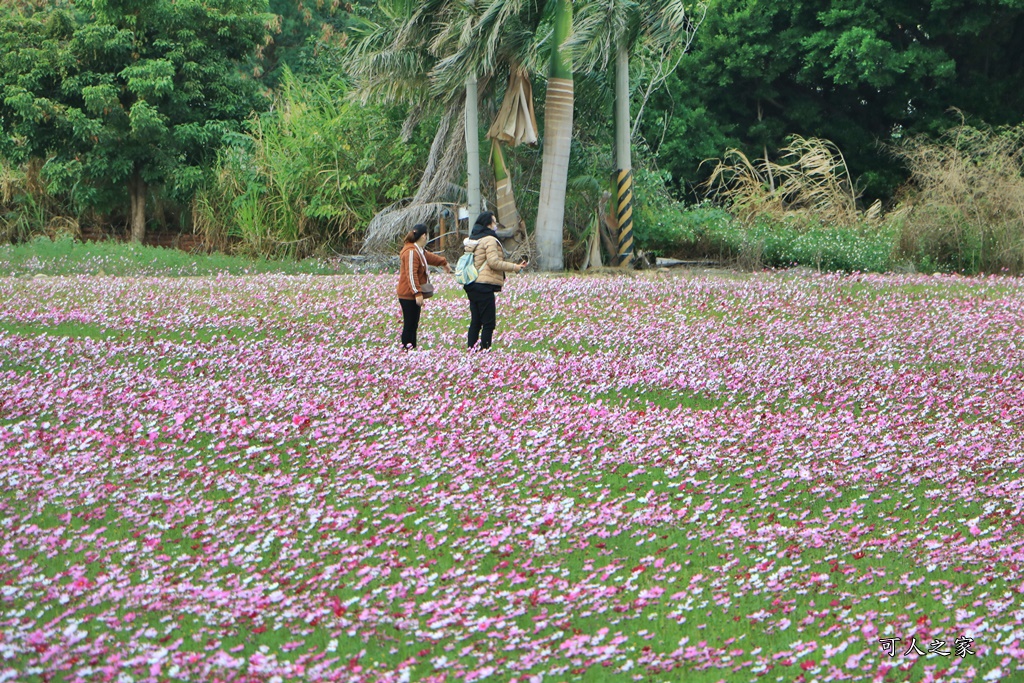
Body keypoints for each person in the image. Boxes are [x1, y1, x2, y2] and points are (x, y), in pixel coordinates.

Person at [461, 211, 526, 349]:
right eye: (494, 222)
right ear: (488, 224)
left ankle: (471, 349)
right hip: (484, 285)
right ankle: (485, 351)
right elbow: (494, 262)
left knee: (476, 322)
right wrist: (514, 267)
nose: (496, 225)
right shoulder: (489, 239)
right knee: (488, 323)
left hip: (472, 284)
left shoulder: (474, 238)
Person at [397, 223, 451, 349]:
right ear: (423, 236)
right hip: (408, 294)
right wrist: (417, 293)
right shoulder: (411, 252)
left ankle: (411, 349)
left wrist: (444, 262)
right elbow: (411, 274)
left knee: (413, 324)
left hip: (412, 293)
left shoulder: (418, 250)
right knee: (409, 325)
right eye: (426, 235)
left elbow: (430, 257)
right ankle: (406, 349)